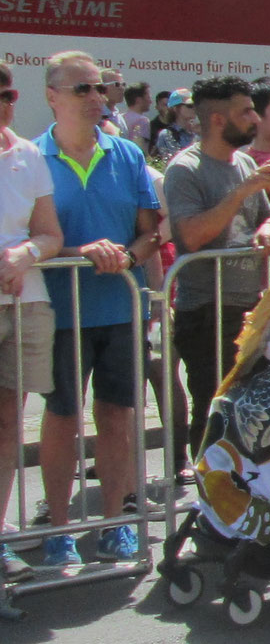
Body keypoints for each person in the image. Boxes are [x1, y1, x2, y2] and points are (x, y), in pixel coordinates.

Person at [35, 51, 163, 566]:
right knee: (61, 417)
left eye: (100, 88)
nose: (95, 98)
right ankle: (60, 529)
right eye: (81, 89)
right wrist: (80, 254)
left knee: (117, 415)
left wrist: (129, 257)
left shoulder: (128, 155)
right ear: (52, 97)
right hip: (59, 313)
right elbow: (25, 238)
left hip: (120, 309)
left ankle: (115, 522)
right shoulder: (28, 158)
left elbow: (153, 232)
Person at [160, 76, 270, 478]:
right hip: (207, 309)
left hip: (252, 304)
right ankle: (207, 497)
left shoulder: (246, 162)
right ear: (217, 119)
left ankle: (243, 496)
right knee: (215, 406)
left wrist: (269, 229)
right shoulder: (186, 169)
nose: (254, 117)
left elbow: (266, 216)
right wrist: (238, 194)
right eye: (245, 111)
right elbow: (192, 236)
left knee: (252, 409)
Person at [0, 65, 61, 606]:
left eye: (7, 96)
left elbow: (50, 233)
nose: (3, 105)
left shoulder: (27, 155)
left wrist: (26, 253)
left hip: (27, 304)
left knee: (8, 426)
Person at [152, 90, 199, 158]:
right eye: (190, 105)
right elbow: (176, 160)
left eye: (195, 105)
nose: (194, 108)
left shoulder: (197, 132)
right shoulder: (167, 134)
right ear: (175, 108)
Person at [119, 85, 152, 149]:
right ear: (138, 100)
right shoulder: (142, 121)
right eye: (148, 98)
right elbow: (141, 148)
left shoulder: (120, 118)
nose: (150, 102)